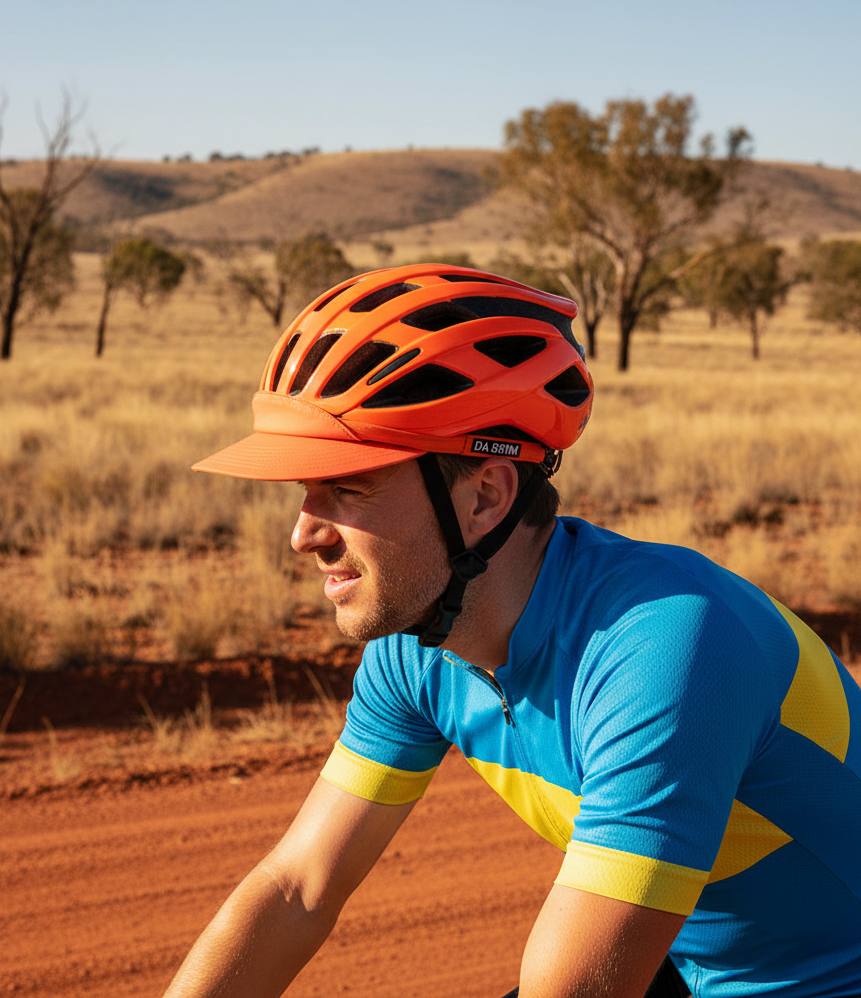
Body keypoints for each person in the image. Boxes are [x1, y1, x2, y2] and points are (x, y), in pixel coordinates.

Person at [164, 264, 861, 998]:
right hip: (696, 970)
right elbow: (297, 890)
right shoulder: (415, 649)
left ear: (485, 495)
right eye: (305, 492)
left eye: (347, 488)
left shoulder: (665, 650)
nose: (304, 533)